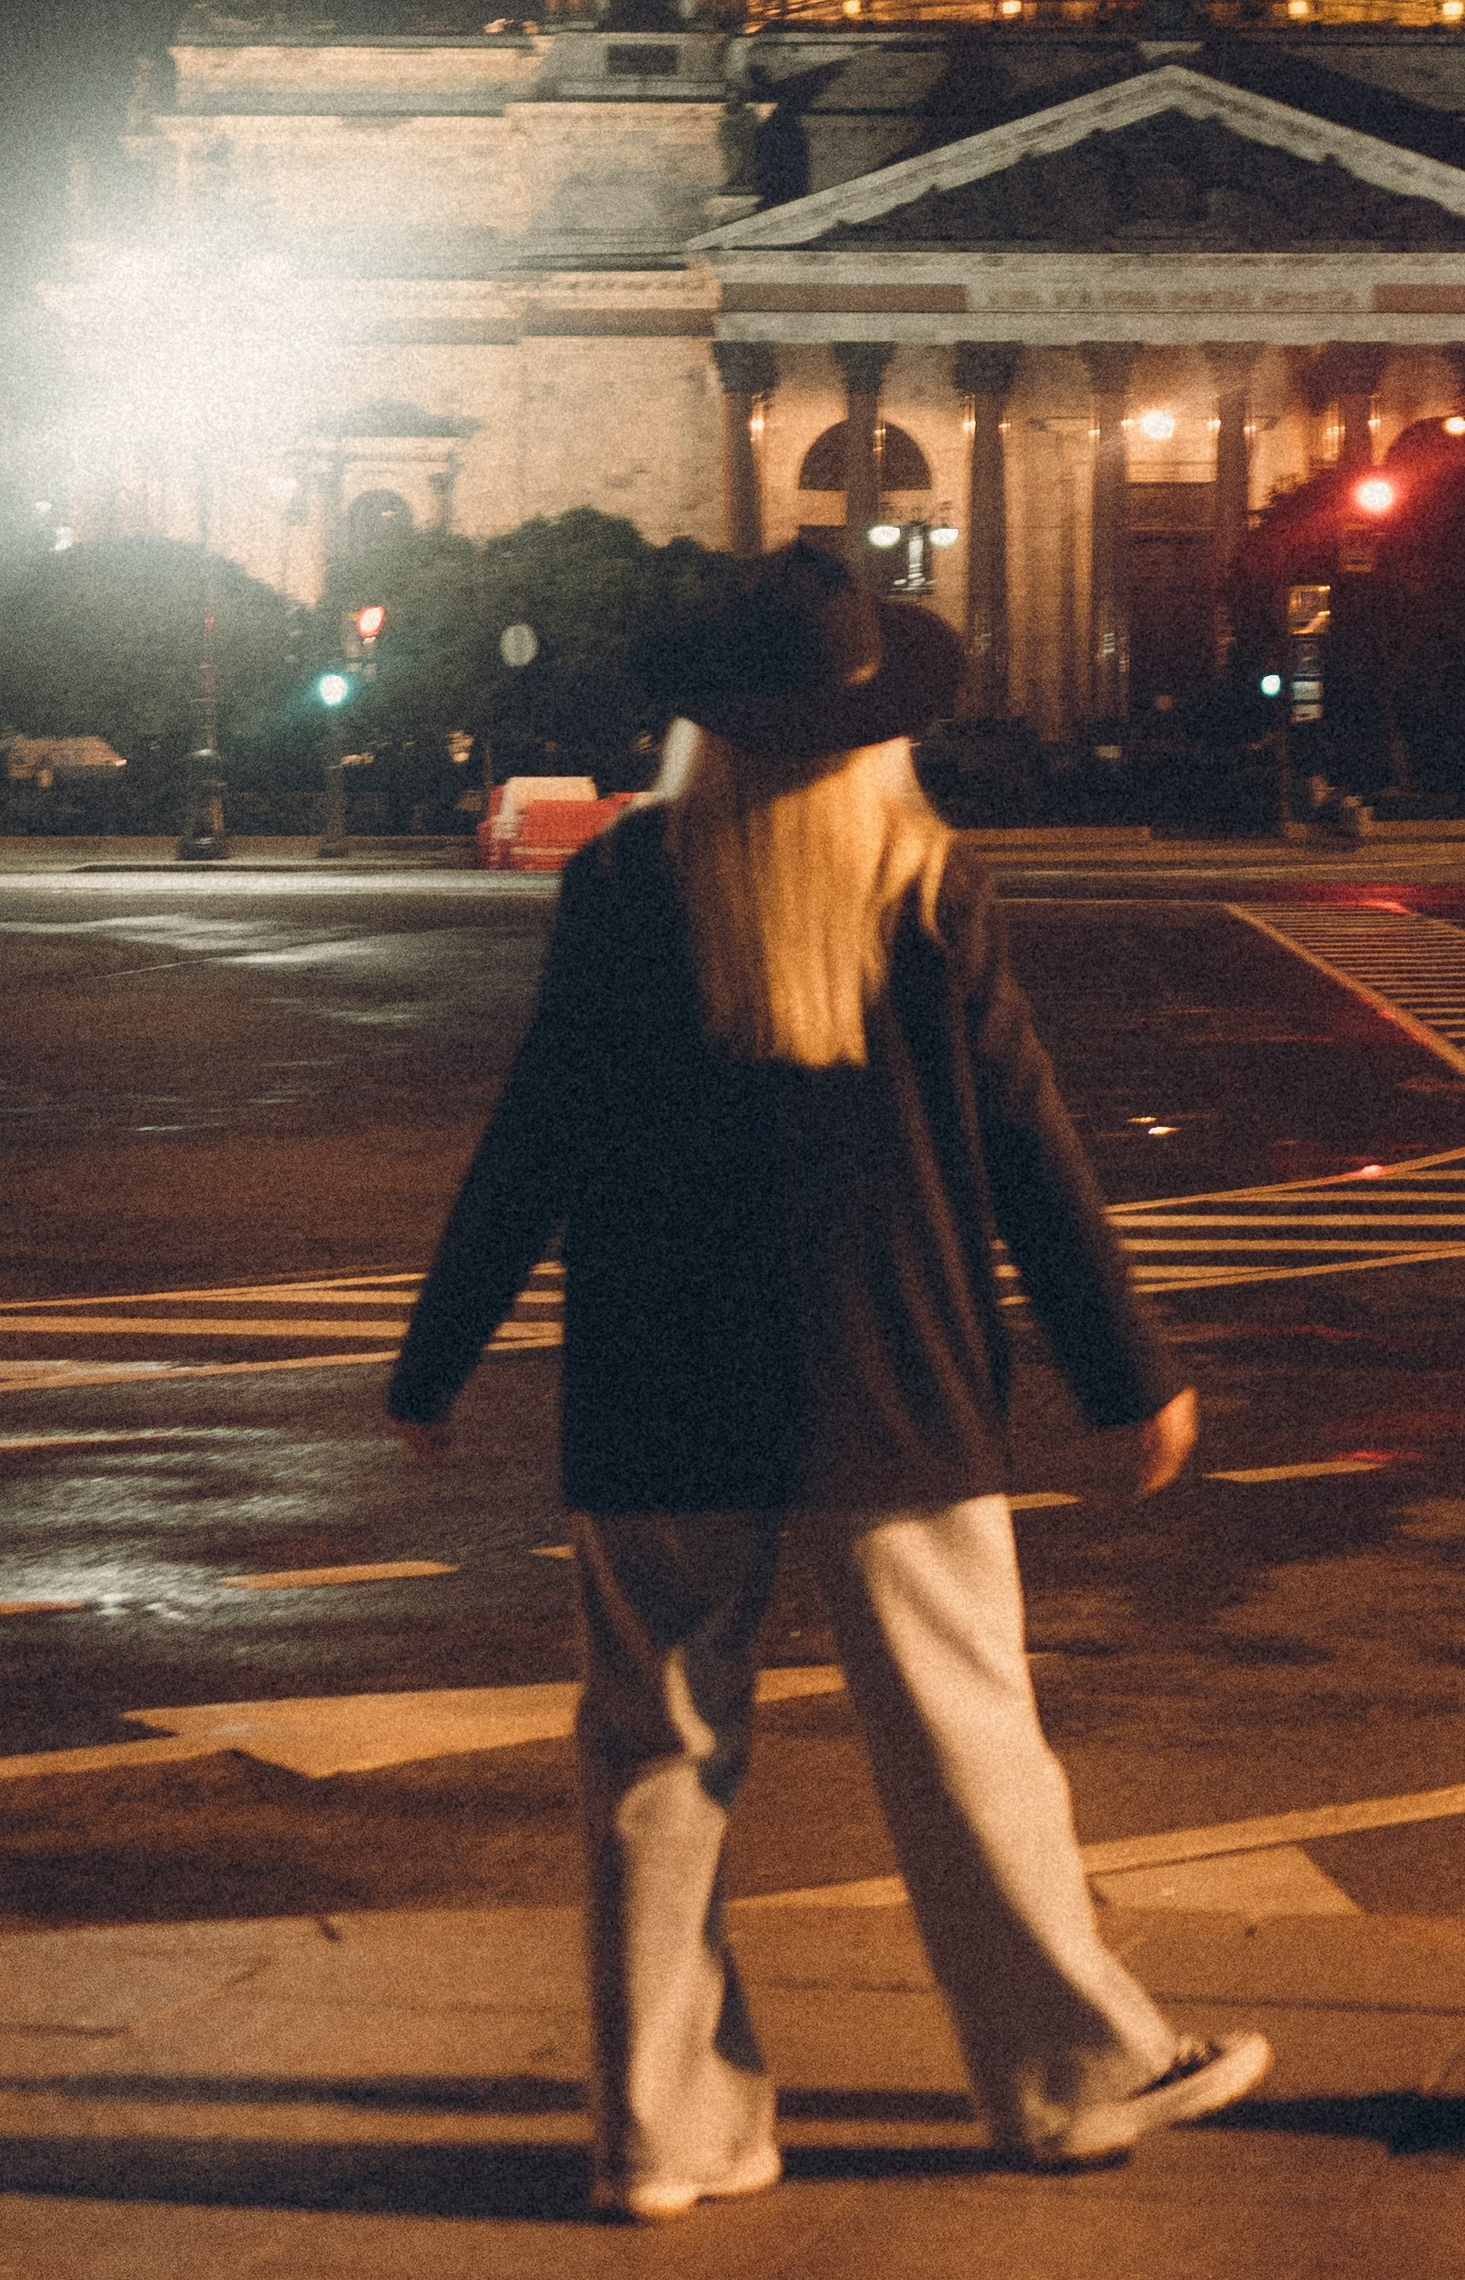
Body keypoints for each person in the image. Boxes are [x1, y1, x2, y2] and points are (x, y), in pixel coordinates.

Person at [387, 539, 1268, 2218]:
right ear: (873, 724)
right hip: (898, 1384)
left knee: (654, 1760)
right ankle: (1071, 2074)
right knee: (966, 1744)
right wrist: (1122, 1371)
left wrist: (437, 1359)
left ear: (706, 732)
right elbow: (1030, 1147)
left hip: (656, 1389)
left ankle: (662, 2130)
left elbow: (537, 1138)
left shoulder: (627, 879)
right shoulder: (926, 878)